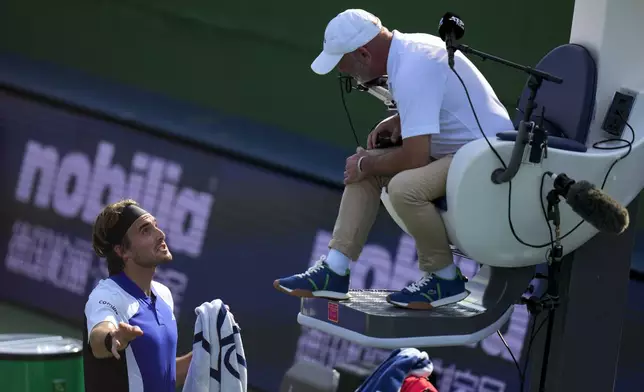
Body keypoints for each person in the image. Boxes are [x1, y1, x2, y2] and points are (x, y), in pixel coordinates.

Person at [273, 9, 514, 310]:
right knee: (367, 166)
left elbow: (415, 158)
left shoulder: (413, 66)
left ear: (363, 53)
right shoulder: (409, 51)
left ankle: (444, 278)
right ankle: (334, 270)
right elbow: (440, 104)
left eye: (345, 66)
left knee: (403, 186)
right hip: (465, 154)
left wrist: (366, 164)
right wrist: (400, 120)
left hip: (486, 158)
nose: (347, 74)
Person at [82, 198, 193, 391]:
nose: (160, 235)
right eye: (145, 230)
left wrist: (208, 350)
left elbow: (163, 375)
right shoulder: (107, 295)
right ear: (123, 251)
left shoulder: (163, 295)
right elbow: (99, 338)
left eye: (156, 226)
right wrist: (113, 338)